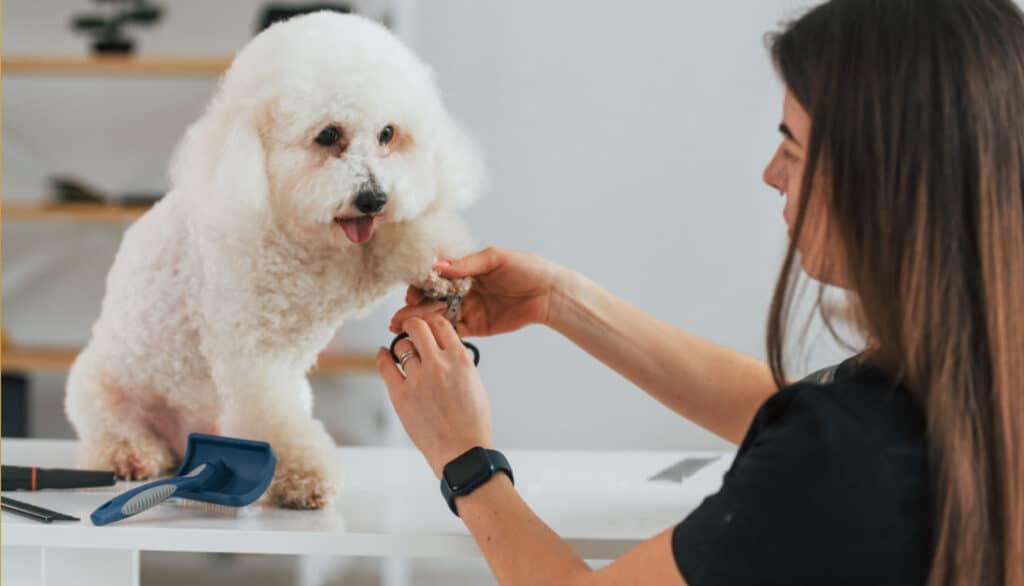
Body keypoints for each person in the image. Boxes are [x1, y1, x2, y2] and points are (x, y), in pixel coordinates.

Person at [374, 0, 1024, 584]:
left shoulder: (845, 459)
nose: (771, 176)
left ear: (881, 183)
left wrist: (465, 460)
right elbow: (780, 409)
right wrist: (558, 301)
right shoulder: (974, 375)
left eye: (792, 151)